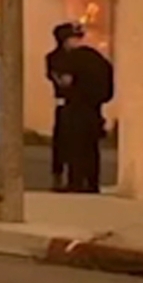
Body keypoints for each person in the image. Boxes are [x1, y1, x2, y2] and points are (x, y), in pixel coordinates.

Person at [60, 25, 115, 193]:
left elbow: (66, 81)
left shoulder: (72, 58)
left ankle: (75, 183)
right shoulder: (101, 61)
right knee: (91, 148)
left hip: (76, 107)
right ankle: (92, 183)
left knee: (75, 147)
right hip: (94, 109)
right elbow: (108, 89)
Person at [46, 23, 78, 192]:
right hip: (63, 102)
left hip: (77, 103)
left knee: (75, 142)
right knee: (61, 141)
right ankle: (57, 176)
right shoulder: (55, 58)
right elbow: (61, 80)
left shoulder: (79, 56)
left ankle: (74, 177)